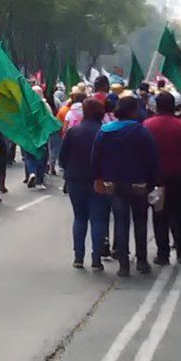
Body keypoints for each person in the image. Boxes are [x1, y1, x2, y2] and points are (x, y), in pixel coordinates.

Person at [91, 94, 160, 277]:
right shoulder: (141, 131)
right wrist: (153, 183)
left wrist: (98, 178)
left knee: (121, 222)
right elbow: (152, 160)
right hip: (138, 184)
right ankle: (142, 261)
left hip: (113, 184)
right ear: (134, 111)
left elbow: (95, 159)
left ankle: (123, 264)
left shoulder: (105, 131)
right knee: (140, 222)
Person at [144, 91, 181, 265]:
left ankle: (162, 254)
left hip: (157, 180)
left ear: (156, 107)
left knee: (160, 216)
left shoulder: (147, 125)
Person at [59, 97, 108, 270]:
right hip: (99, 180)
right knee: (98, 219)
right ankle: (96, 258)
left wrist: (68, 170)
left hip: (76, 179)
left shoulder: (74, 132)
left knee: (79, 218)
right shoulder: (104, 131)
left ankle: (78, 257)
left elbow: (62, 157)